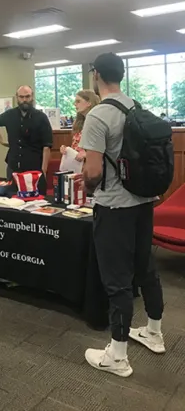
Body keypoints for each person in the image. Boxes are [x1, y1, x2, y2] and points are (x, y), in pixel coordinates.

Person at [80, 52, 165, 378]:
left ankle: (117, 355)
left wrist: (87, 181)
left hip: (114, 207)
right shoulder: (137, 107)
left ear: (96, 75)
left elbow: (94, 171)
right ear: (123, 75)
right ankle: (154, 332)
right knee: (145, 268)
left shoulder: (98, 115)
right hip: (143, 202)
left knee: (117, 281)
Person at [0, 85, 52, 195]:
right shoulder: (9, 115)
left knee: (35, 200)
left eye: (27, 96)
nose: (24, 100)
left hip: (34, 167)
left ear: (32, 97)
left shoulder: (41, 117)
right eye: (21, 97)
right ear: (17, 97)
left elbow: (47, 146)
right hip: (13, 165)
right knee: (12, 197)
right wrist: (1, 140)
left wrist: (43, 170)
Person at [60, 90, 100, 162]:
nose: (75, 104)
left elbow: (101, 148)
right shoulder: (79, 123)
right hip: (77, 165)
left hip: (91, 165)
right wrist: (67, 150)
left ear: (89, 103)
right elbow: (77, 148)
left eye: (78, 101)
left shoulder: (97, 122)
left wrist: (87, 154)